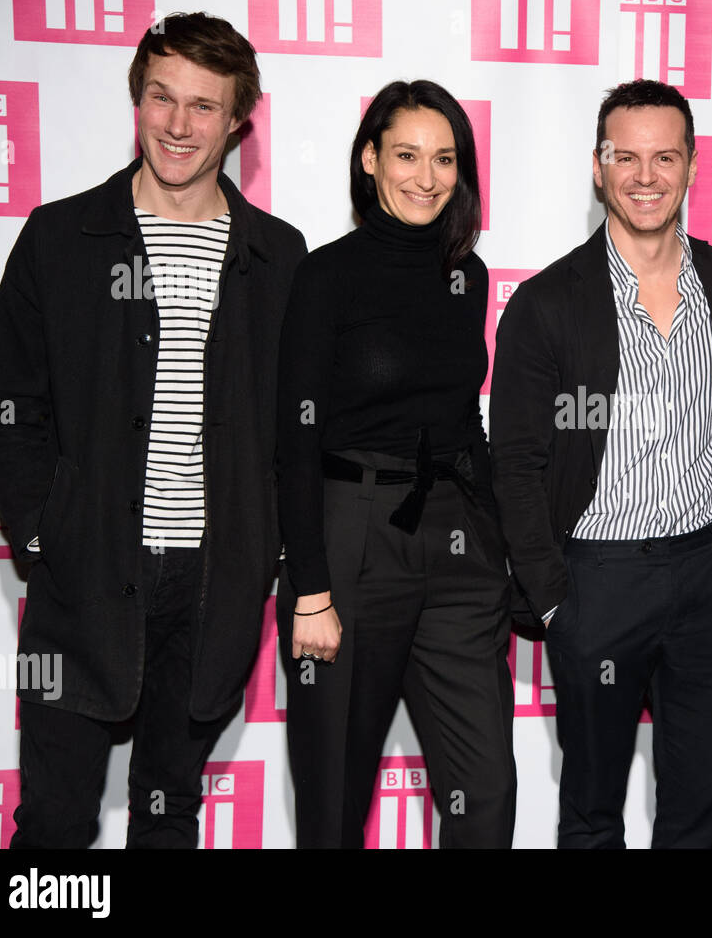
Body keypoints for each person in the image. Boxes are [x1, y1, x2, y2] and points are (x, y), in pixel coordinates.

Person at [0, 12, 306, 847]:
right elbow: (10, 408)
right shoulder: (60, 238)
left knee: (169, 812)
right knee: (52, 822)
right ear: (137, 98)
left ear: (237, 121)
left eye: (204, 105)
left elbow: (299, 429)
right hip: (83, 580)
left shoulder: (279, 257)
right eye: (161, 96)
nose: (178, 125)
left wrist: (267, 547)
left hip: (212, 587)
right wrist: (47, 535)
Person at [489, 79, 712, 848]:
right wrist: (553, 602)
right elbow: (515, 465)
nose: (646, 176)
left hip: (708, 577)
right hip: (598, 584)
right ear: (597, 167)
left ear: (693, 166)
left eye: (665, 156)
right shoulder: (545, 304)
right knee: (593, 809)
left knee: (703, 803)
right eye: (626, 157)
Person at [275, 79, 515, 849]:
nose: (426, 176)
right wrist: (310, 587)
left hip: (455, 540)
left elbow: (459, 417)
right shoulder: (325, 275)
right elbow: (294, 436)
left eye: (445, 158)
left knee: (483, 798)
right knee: (336, 798)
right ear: (370, 159)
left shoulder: (466, 275)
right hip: (350, 537)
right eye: (407, 154)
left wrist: (497, 547)